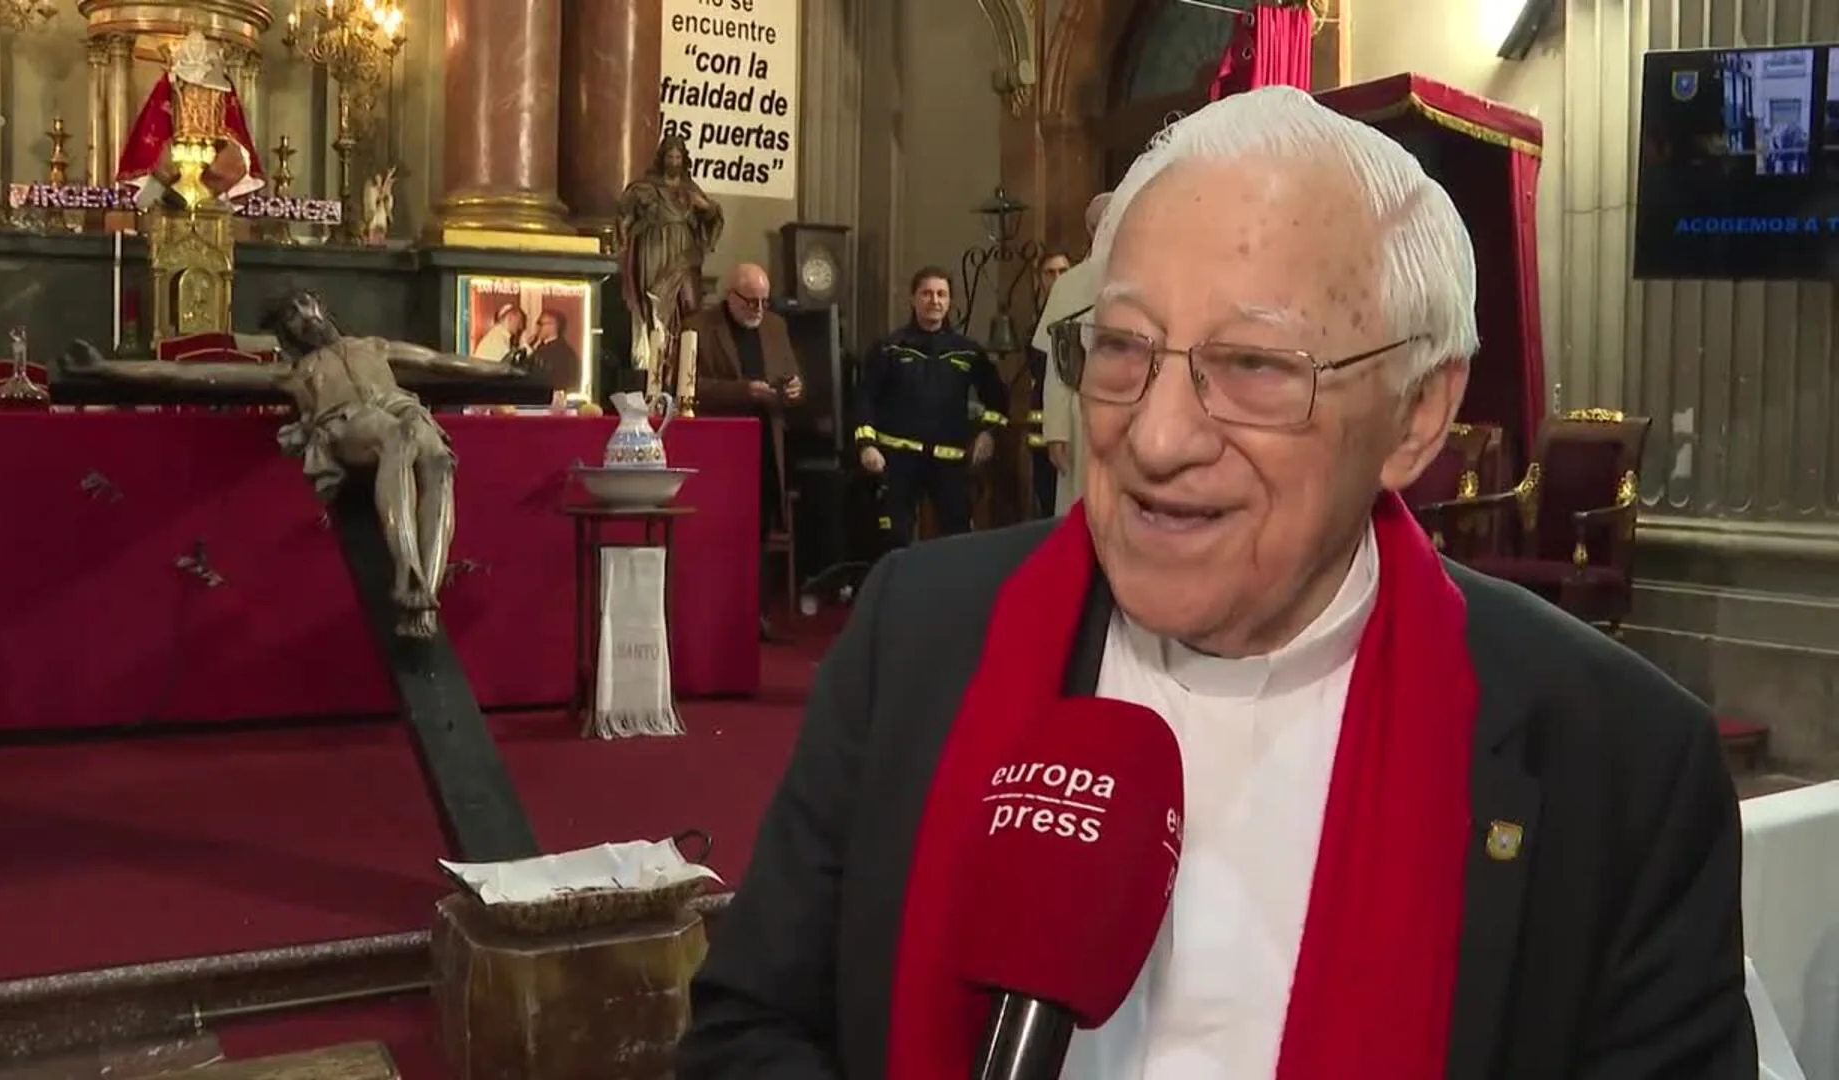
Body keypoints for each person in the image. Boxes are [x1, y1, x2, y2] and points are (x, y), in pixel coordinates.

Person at [678, 86, 1753, 1079]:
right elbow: (749, 1032)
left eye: (1253, 366)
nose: (1154, 436)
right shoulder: (918, 635)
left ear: (1417, 412)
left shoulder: (1619, 766)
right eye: (1121, 348)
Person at [61, 290, 535, 640]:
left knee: (437, 461)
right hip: (352, 423)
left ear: (325, 308)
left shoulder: (373, 346)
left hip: (402, 406)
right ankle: (406, 571)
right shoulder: (294, 372)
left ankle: (425, 596)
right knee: (396, 440)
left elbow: (440, 361)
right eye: (295, 316)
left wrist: (505, 371)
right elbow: (185, 372)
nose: (307, 318)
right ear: (288, 334)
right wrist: (106, 369)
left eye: (309, 306)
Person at [681, 263, 805, 635]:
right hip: (720, 445)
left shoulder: (775, 326)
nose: (758, 310)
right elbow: (688, 386)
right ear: (730, 296)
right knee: (719, 532)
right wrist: (743, 391)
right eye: (750, 301)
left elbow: (792, 376)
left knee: (760, 530)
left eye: (765, 301)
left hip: (768, 440)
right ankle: (716, 614)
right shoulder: (699, 327)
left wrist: (796, 389)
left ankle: (756, 613)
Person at [852, 267, 1009, 548]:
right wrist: (867, 445)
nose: (934, 300)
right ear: (912, 299)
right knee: (894, 540)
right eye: (926, 293)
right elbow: (864, 397)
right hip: (897, 460)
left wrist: (989, 433)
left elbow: (997, 396)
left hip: (949, 463)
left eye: (941, 294)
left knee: (958, 540)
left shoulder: (968, 351)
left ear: (949, 301)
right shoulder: (889, 348)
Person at [115, 30, 264, 209]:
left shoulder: (218, 80)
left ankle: (210, 199)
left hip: (209, 141)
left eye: (198, 46)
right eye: (192, 45)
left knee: (228, 167)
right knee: (164, 170)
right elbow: (161, 110)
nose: (195, 49)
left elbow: (227, 113)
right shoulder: (172, 79)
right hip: (179, 138)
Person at [616, 134, 725, 363]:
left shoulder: (690, 189)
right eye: (670, 156)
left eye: (678, 157)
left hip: (683, 254)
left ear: (684, 160)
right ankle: (652, 361)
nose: (674, 161)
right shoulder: (645, 188)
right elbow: (625, 216)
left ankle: (680, 362)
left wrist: (705, 206)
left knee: (688, 304)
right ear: (662, 159)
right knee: (654, 302)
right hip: (653, 250)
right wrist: (623, 243)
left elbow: (712, 216)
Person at [1033, 193, 1111, 515]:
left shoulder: (1152, 276)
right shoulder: (1070, 285)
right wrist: (1056, 429)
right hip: (1083, 413)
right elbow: (1057, 364)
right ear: (1093, 229)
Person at [1026, 248, 1074, 516]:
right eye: (1050, 272)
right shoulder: (1035, 326)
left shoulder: (1084, 313)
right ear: (1040, 279)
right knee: (1046, 502)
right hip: (1041, 429)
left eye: (1063, 272)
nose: (1057, 278)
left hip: (1074, 425)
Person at [526, 309, 582, 394]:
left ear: (553, 325)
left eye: (540, 324)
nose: (537, 327)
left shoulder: (562, 353)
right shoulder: (540, 348)